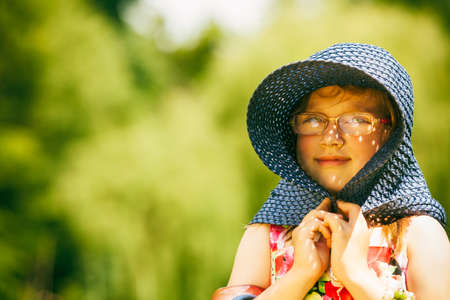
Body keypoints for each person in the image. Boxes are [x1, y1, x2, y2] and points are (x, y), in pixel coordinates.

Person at [212, 43, 449, 300]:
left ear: (391, 133)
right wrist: (299, 276)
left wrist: (357, 276)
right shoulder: (267, 236)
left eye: (357, 120)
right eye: (313, 120)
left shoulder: (417, 234)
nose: (331, 139)